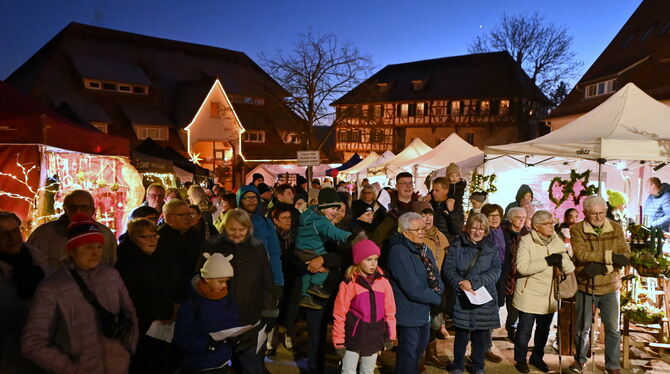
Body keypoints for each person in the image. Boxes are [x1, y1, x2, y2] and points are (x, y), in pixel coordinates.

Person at [22, 213, 139, 374]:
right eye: (88, 247)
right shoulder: (52, 287)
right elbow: (33, 343)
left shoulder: (111, 275)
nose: (95, 253)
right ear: (73, 250)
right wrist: (72, 369)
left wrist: (127, 350)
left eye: (99, 246)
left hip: (117, 367)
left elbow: (130, 313)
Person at [205, 209, 278, 374]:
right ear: (224, 228)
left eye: (241, 229)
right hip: (219, 317)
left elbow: (266, 280)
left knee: (250, 364)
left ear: (248, 228)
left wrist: (269, 311)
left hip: (249, 318)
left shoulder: (256, 247)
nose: (237, 233)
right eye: (232, 229)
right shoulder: (212, 245)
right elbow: (200, 278)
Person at [569, 196, 630, 374]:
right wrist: (611, 258)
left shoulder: (615, 228)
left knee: (612, 329)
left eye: (601, 213)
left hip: (611, 286)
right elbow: (581, 254)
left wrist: (603, 265)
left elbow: (625, 254)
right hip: (586, 286)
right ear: (585, 213)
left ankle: (612, 365)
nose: (598, 217)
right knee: (582, 328)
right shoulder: (577, 229)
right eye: (593, 214)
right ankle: (579, 361)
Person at [116, 218, 182, 373]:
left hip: (168, 325)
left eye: (154, 235)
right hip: (141, 328)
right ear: (133, 238)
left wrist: (175, 307)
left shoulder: (165, 258)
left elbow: (177, 285)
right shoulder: (125, 263)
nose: (152, 240)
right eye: (144, 236)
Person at [513, 210, 575, 373]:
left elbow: (570, 267)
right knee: (524, 330)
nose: (551, 226)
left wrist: (562, 260)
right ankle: (520, 359)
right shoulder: (526, 241)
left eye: (552, 223)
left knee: (543, 330)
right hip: (528, 294)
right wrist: (547, 261)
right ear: (536, 226)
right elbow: (522, 268)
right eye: (547, 224)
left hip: (549, 294)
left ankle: (537, 357)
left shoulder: (557, 241)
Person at [442, 213, 500, 374]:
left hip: (484, 296)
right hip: (463, 295)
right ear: (467, 228)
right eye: (474, 228)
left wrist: (473, 283)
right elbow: (449, 269)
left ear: (486, 231)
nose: (477, 232)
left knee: (480, 335)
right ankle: (458, 364)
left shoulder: (491, 247)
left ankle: (478, 366)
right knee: (461, 333)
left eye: (481, 229)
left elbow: (496, 271)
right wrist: (461, 284)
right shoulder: (457, 245)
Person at [386, 212, 443, 374]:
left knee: (418, 352)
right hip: (409, 312)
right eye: (417, 230)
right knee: (408, 354)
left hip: (425, 311)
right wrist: (437, 298)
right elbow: (412, 288)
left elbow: (435, 273)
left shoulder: (424, 249)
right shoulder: (399, 252)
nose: (422, 232)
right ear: (405, 232)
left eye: (423, 229)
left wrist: (440, 289)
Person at [332, 239, 396, 374]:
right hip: (353, 338)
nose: (373, 264)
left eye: (376, 259)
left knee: (367, 370)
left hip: (374, 337)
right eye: (368, 260)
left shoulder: (383, 282)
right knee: (348, 370)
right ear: (359, 260)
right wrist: (338, 341)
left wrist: (390, 336)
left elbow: (390, 311)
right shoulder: (349, 284)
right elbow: (339, 314)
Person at [174, 253, 240, 374]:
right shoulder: (192, 303)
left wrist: (234, 336)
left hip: (223, 362)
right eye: (221, 281)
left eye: (227, 281)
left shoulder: (227, 297)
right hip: (200, 365)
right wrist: (207, 345)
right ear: (207, 278)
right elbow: (181, 338)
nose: (224, 285)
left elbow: (234, 320)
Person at [0, 212, 47, 373]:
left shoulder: (36, 258)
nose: (12, 237)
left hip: (41, 354)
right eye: (3, 233)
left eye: (14, 231)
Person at [27, 189, 117, 270]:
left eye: (83, 208)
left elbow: (113, 263)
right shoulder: (43, 234)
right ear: (65, 209)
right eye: (73, 208)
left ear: (92, 210)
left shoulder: (105, 235)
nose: (78, 212)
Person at [410, 201, 450, 370]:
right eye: (423, 214)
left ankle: (431, 354)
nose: (427, 218)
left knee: (434, 323)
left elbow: (448, 260)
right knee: (420, 324)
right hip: (420, 287)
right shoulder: (415, 236)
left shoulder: (440, 236)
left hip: (437, 286)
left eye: (430, 214)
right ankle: (417, 357)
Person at [296, 188, 352, 309]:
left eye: (337, 209)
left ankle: (304, 295)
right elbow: (335, 232)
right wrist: (350, 237)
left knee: (309, 272)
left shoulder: (310, 215)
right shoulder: (322, 222)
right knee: (324, 266)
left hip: (302, 248)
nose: (335, 212)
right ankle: (315, 286)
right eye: (333, 208)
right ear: (323, 207)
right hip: (311, 249)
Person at [237, 185, 284, 288]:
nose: (251, 200)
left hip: (262, 278)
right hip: (240, 278)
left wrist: (278, 282)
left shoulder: (266, 223)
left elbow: (274, 252)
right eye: (247, 197)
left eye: (254, 197)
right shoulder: (234, 222)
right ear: (240, 200)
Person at [480, 203, 505, 363]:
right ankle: (482, 349)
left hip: (500, 278)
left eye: (497, 215)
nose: (495, 218)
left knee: (493, 314)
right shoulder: (482, 234)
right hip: (485, 278)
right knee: (483, 315)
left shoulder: (504, 232)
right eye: (491, 216)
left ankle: (486, 347)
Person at [157, 199, 203, 283]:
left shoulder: (195, 234)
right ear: (168, 217)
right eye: (183, 215)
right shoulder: (159, 237)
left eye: (189, 214)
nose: (188, 218)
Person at [502, 207, 529, 340]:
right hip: (504, 272)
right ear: (510, 218)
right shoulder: (503, 231)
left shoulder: (527, 234)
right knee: (503, 301)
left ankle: (511, 327)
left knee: (515, 304)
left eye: (524, 218)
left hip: (520, 273)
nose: (521, 220)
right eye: (519, 217)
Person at [430, 176, 463, 242]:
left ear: (446, 190)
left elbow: (458, 230)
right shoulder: (430, 205)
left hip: (447, 246)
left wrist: (451, 211)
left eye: (437, 190)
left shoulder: (455, 205)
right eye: (433, 190)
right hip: (432, 244)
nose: (433, 193)